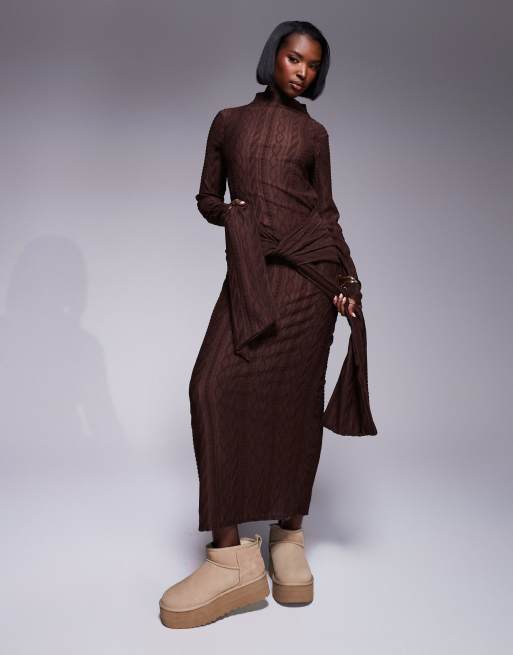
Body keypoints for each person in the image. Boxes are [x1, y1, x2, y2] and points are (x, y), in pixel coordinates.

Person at [159, 20, 377, 629]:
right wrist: (233, 215)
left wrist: (348, 282)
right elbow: (207, 198)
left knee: (294, 404)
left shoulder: (315, 135)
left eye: (313, 65)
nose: (302, 71)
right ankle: (231, 558)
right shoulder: (228, 122)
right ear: (273, 57)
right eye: (293, 58)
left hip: (310, 281)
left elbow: (326, 213)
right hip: (254, 278)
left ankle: (289, 536)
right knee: (211, 388)